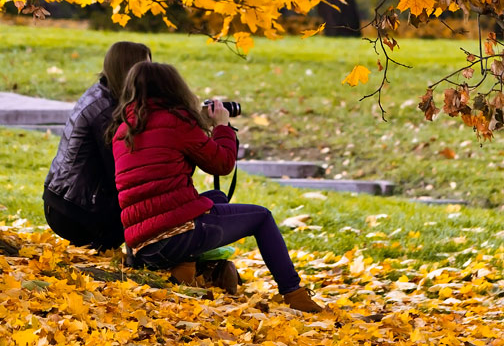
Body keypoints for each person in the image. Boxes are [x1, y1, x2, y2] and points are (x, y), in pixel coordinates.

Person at [111, 61, 323, 313]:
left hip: (142, 245)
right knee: (262, 217)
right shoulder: (177, 122)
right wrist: (222, 126)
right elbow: (222, 163)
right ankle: (294, 293)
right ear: (173, 88)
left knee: (216, 197)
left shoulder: (124, 129)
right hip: (176, 236)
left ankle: (185, 269)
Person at [43, 41, 152, 250]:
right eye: (145, 69)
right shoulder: (107, 113)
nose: (151, 76)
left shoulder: (103, 94)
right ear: (128, 70)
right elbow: (121, 173)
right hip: (76, 211)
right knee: (153, 208)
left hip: (62, 200)